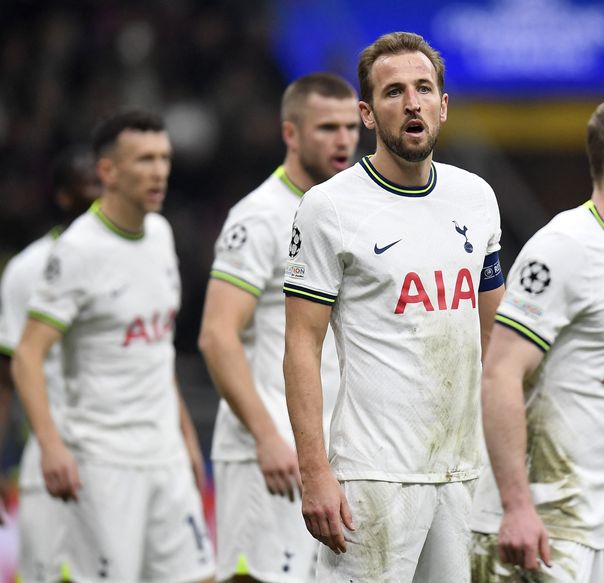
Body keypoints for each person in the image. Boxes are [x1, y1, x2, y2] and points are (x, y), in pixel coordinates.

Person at [283, 31, 505, 582]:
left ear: (443, 106)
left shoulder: (476, 198)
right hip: (373, 478)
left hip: (461, 473)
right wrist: (314, 470)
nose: (412, 103)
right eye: (393, 92)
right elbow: (301, 342)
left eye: (424, 89)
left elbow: (497, 340)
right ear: (367, 112)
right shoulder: (328, 207)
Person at [469, 94, 604, 583]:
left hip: (582, 532)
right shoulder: (566, 248)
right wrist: (517, 508)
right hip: (534, 534)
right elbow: (501, 374)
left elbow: (587, 401)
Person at [11, 110, 214, 583]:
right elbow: (26, 356)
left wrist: (184, 434)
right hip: (103, 461)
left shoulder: (161, 235)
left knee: (201, 575)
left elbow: (156, 348)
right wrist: (51, 446)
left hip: (163, 450)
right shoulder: (78, 251)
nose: (160, 171)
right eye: (144, 159)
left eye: (164, 158)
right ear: (108, 172)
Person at [198, 72, 360, 583]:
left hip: (330, 453)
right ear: (290, 133)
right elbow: (216, 335)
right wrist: (267, 436)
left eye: (351, 127)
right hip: (265, 457)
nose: (343, 140)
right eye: (326, 128)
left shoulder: (349, 212)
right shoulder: (260, 217)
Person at [0, 145, 100, 581]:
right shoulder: (28, 269)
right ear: (63, 195)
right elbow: (5, 377)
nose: (102, 192)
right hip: (56, 458)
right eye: (90, 183)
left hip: (137, 453)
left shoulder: (146, 246)